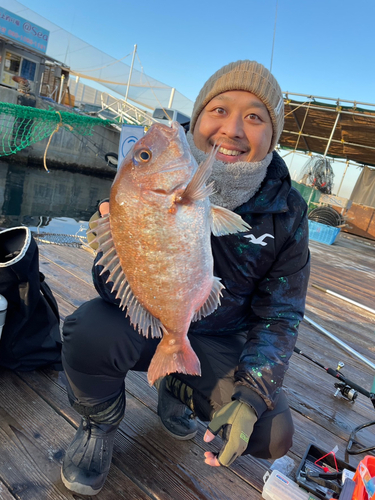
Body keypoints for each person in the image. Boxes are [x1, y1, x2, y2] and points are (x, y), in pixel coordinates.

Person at [60, 60, 310, 496]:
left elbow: (281, 314)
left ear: (274, 136)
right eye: (219, 110)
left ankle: (176, 380)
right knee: (87, 331)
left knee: (271, 432)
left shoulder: (287, 211)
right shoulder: (145, 188)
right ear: (197, 120)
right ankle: (98, 424)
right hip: (148, 319)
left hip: (218, 335)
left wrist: (252, 397)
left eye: (254, 117)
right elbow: (109, 289)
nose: (232, 129)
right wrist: (115, 242)